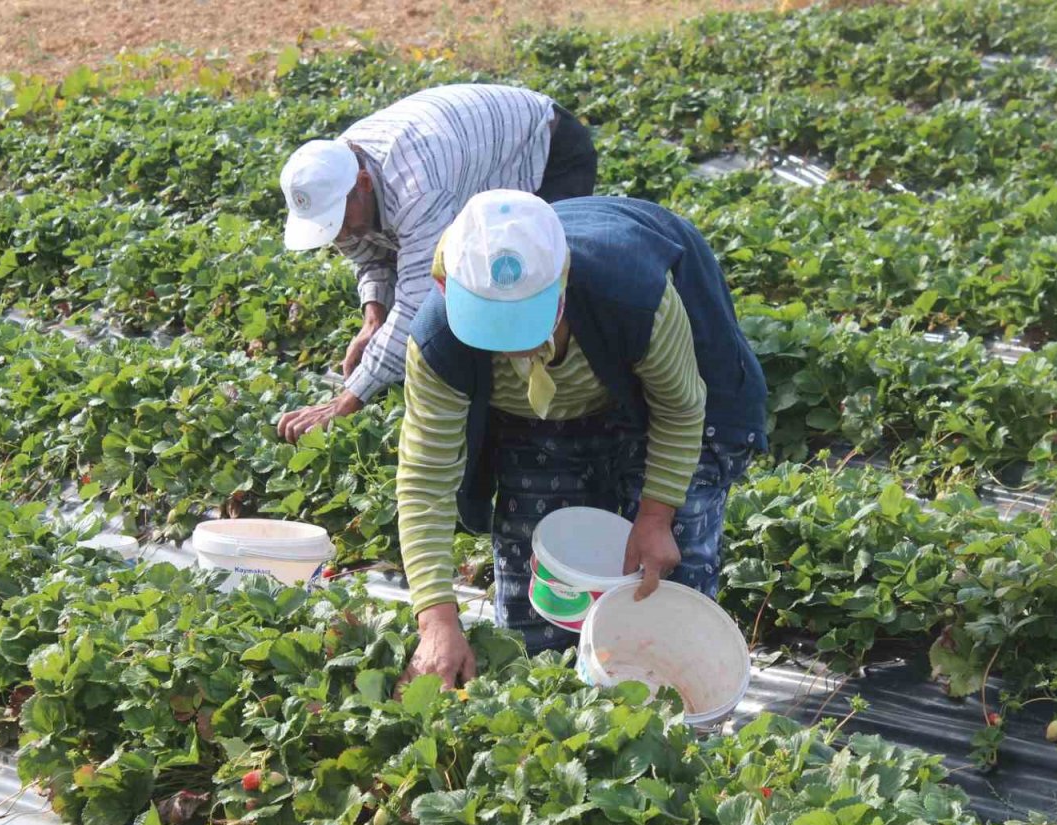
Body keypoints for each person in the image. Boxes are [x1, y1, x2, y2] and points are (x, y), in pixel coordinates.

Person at [393, 190, 768, 688]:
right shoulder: (438, 342)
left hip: (666, 398)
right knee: (542, 581)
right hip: (536, 413)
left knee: (665, 566)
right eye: (491, 326)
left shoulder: (634, 298)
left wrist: (656, 516)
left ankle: (673, 703)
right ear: (445, 285)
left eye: (525, 321)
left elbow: (680, 408)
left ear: (562, 282)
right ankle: (555, 704)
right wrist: (436, 618)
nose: (512, 344)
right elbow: (425, 479)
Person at [275, 83, 598, 443]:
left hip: (546, 147)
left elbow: (418, 300)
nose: (339, 235)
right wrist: (374, 320)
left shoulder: (418, 189)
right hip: (466, 152)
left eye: (339, 220)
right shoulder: (334, 173)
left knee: (533, 276)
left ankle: (560, 393)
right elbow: (367, 250)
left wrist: (349, 398)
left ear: (364, 183)